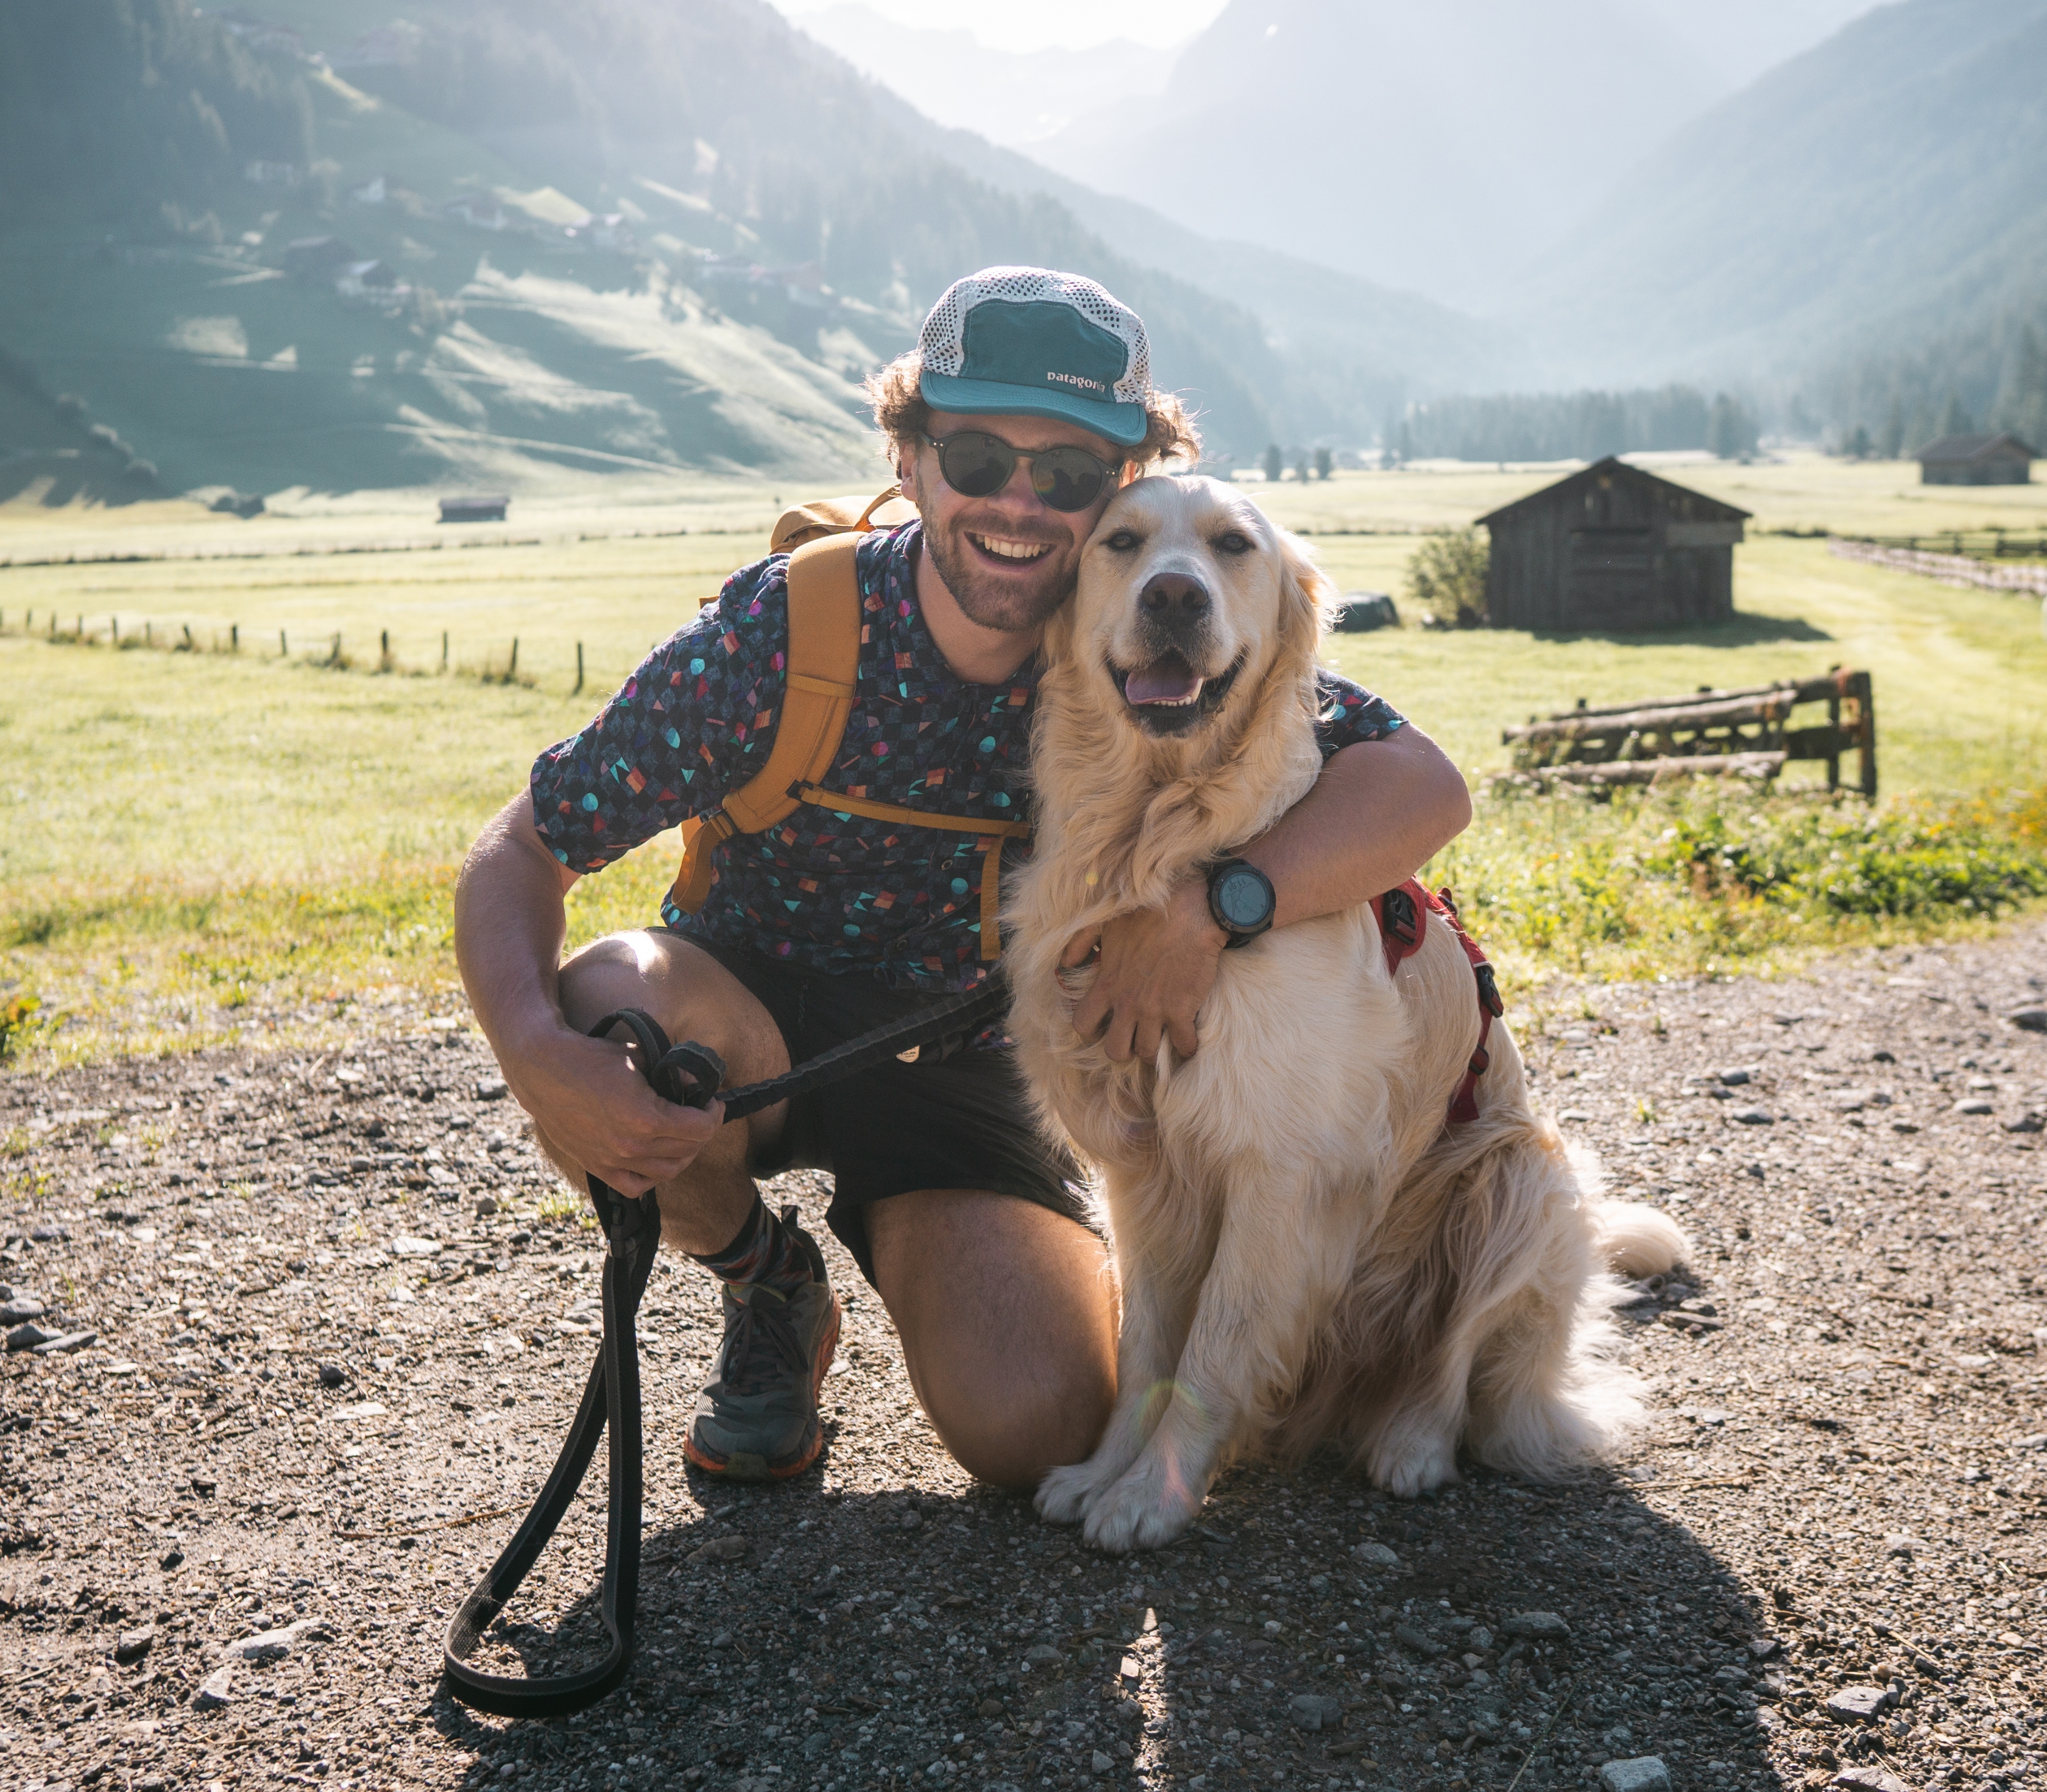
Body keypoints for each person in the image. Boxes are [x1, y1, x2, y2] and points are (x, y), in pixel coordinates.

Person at [454, 266, 1472, 1491]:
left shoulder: (1147, 643)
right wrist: (528, 1045)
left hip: (966, 1081)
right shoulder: (789, 633)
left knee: (1037, 1429)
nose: (1021, 504)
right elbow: (524, 845)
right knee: (614, 1002)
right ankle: (763, 1279)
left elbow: (1421, 783)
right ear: (912, 456)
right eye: (979, 456)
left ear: (1126, 481)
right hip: (749, 1028)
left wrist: (1212, 910)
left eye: (1072, 475)